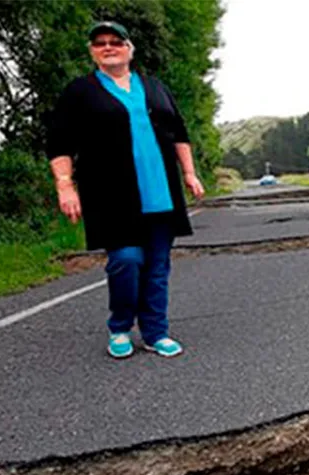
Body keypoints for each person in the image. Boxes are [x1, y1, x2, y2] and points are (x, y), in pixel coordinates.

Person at [46, 21, 205, 359]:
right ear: (92, 51)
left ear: (129, 48)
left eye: (116, 41)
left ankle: (155, 332)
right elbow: (60, 143)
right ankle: (119, 327)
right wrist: (65, 186)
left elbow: (179, 133)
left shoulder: (154, 87)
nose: (108, 47)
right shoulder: (80, 92)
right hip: (110, 197)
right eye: (100, 43)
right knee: (126, 260)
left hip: (160, 191)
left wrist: (189, 173)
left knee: (157, 266)